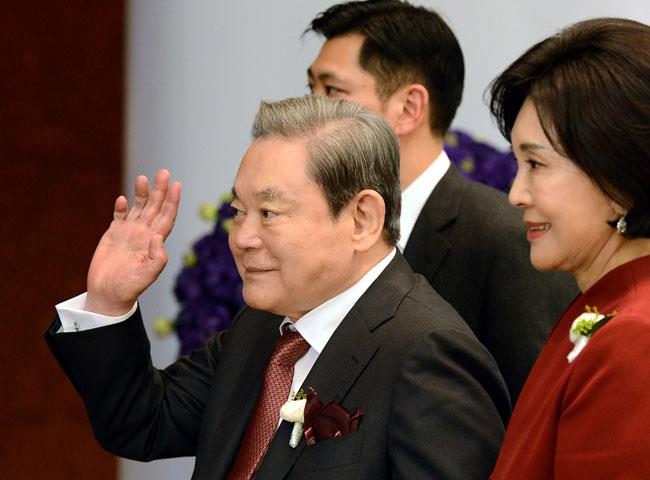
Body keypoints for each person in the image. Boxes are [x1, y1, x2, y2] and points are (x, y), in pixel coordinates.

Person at [45, 96, 509, 479]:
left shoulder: (427, 355)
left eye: (269, 213)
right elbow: (143, 422)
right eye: (238, 212)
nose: (242, 238)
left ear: (362, 219)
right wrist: (108, 300)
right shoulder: (262, 328)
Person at [306, 0, 578, 402]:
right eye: (310, 89)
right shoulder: (316, 232)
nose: (309, 112)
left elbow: (531, 408)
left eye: (332, 91)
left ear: (409, 108)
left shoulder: (502, 237)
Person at [487, 18, 650, 479]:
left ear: (619, 181)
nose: (516, 194)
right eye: (517, 163)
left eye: (536, 164)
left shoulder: (633, 337)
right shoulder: (603, 303)